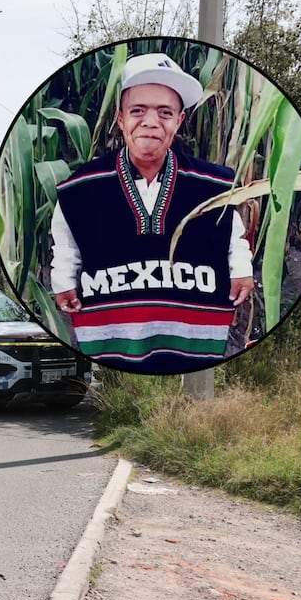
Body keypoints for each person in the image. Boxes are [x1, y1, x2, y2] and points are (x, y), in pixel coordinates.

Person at [50, 52, 255, 374]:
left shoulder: (216, 183)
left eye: (164, 112)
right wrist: (63, 280)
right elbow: (65, 244)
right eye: (138, 111)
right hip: (111, 336)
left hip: (194, 339)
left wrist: (242, 268)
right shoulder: (79, 188)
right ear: (120, 118)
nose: (150, 121)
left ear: (179, 120)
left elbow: (234, 236)